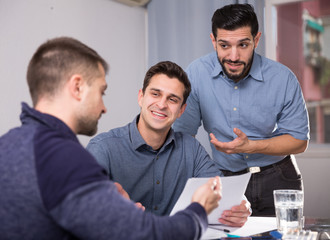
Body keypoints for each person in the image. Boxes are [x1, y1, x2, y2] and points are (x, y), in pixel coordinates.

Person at [0, 37, 222, 240]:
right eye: (101, 92)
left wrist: (113, 209)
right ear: (77, 87)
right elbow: (147, 235)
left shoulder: (8, 145)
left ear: (182, 109)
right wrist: (198, 211)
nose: (104, 107)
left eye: (172, 99)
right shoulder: (64, 158)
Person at [173, 3, 310, 216]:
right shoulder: (196, 73)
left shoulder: (283, 79)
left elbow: (299, 141)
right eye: (224, 45)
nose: (234, 56)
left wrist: (250, 146)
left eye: (243, 45)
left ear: (256, 40)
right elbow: (183, 136)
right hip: (225, 179)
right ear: (213, 41)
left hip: (278, 177)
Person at [87, 60, 250, 227]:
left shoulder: (191, 149)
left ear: (181, 110)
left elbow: (222, 192)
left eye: (172, 99)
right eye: (155, 94)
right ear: (141, 97)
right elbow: (82, 214)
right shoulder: (102, 148)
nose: (162, 104)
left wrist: (241, 207)